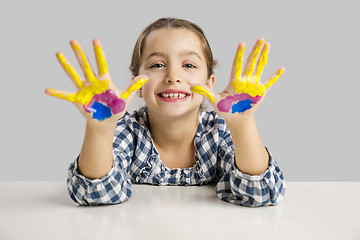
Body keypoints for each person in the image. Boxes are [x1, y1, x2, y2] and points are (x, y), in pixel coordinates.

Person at [45, 17, 286, 207]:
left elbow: (262, 194)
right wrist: (100, 128)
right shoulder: (127, 131)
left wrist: (243, 124)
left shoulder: (221, 132)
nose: (173, 76)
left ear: (210, 84)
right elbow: (94, 195)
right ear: (137, 85)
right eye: (157, 65)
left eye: (189, 65)